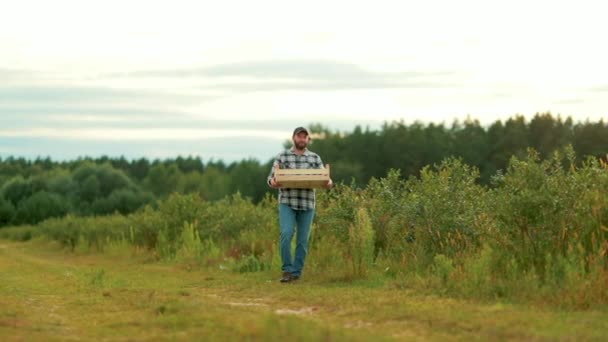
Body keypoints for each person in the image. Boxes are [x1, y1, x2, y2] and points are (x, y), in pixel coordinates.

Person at [267, 126, 332, 283]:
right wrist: (273, 182)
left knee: (303, 240)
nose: (302, 139)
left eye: (304, 137)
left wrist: (328, 182)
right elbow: (270, 178)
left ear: (308, 139)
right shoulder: (282, 156)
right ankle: (287, 270)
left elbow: (324, 177)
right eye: (299, 136)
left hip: (307, 203)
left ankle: (296, 273)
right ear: (293, 138)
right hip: (287, 202)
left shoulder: (315, 158)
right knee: (286, 234)